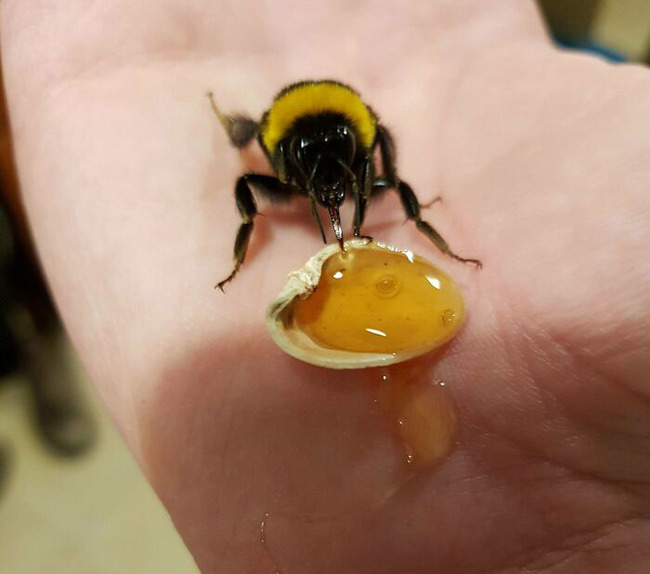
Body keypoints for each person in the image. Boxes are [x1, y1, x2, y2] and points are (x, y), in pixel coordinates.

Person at [2, 1, 649, 572]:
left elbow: (382, 140)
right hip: (294, 123)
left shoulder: (368, 147)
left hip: (334, 119)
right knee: (258, 186)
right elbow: (256, 157)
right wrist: (241, 235)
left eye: (353, 174)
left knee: (389, 189)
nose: (335, 193)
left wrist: (416, 215)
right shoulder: (274, 154)